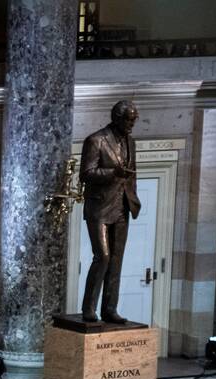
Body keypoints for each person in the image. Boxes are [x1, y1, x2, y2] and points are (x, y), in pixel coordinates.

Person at [80, 99, 141, 324]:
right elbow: (86, 173)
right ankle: (89, 307)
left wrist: (133, 198)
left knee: (116, 260)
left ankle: (110, 309)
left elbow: (132, 173)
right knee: (102, 257)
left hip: (122, 206)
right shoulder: (96, 140)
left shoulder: (130, 142)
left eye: (134, 120)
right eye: (128, 119)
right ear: (116, 117)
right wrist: (113, 173)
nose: (131, 124)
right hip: (99, 207)